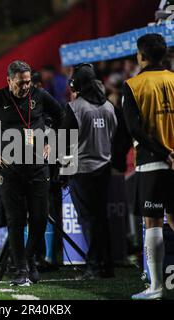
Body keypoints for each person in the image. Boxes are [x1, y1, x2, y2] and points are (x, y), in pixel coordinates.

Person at [0, 60, 64, 286]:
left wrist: (52, 140)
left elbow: (61, 116)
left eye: (28, 82)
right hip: (9, 171)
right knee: (16, 221)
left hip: (38, 168)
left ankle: (28, 258)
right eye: (20, 83)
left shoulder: (39, 96)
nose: (25, 87)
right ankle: (21, 270)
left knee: (40, 219)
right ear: (9, 81)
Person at [123, 34, 174, 300]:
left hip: (153, 162)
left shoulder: (133, 85)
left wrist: (164, 152)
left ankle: (156, 288)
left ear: (141, 56)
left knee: (152, 222)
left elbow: (134, 129)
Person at [63, 63, 118, 280]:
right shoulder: (108, 107)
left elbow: (65, 144)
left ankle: (94, 266)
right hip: (104, 168)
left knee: (88, 219)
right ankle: (106, 265)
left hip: (82, 170)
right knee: (101, 218)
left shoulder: (75, 107)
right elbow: (114, 135)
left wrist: (64, 173)